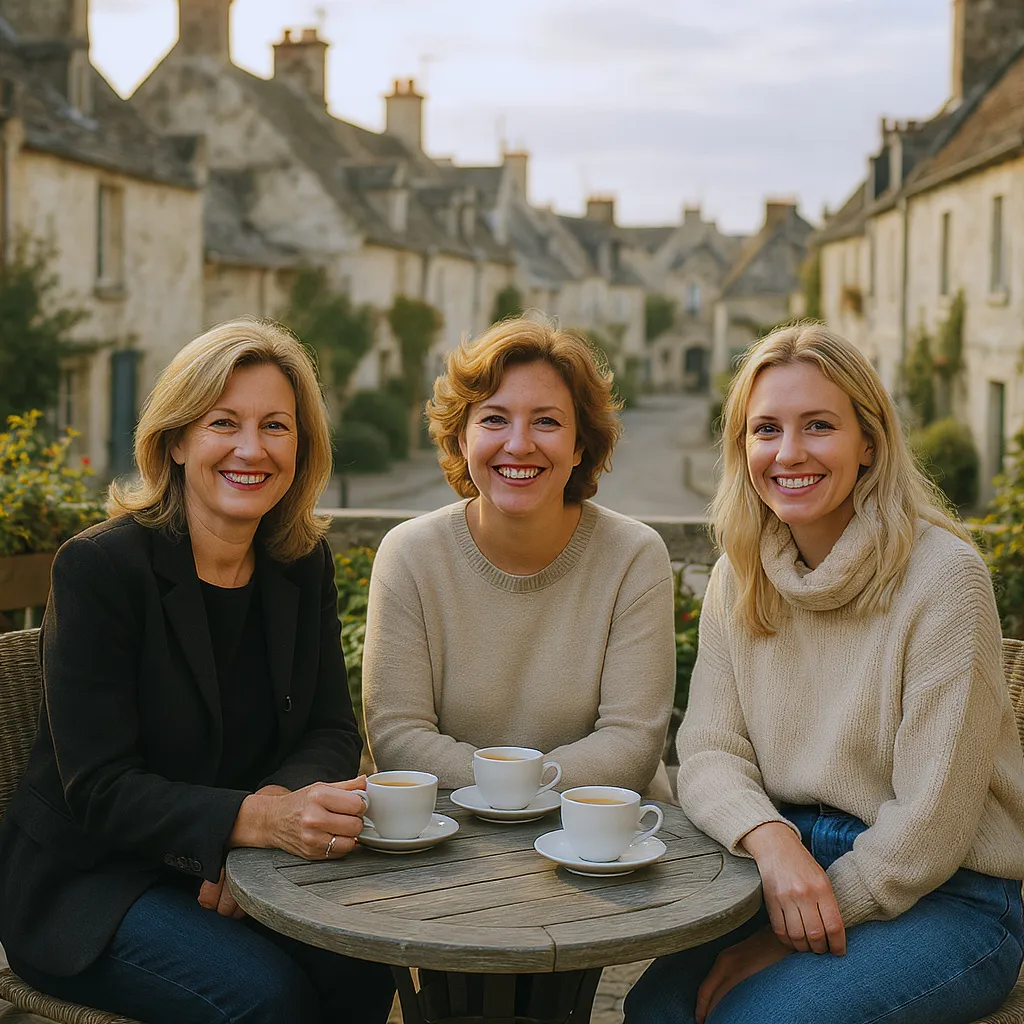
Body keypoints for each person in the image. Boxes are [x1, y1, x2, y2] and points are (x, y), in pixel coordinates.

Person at [624, 324, 1024, 1024]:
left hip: (949, 896)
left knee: (757, 1019)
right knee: (658, 1008)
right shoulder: (738, 576)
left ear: (869, 441)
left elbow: (932, 824)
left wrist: (790, 936)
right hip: (782, 864)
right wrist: (770, 839)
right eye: (766, 429)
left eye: (818, 426)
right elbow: (710, 754)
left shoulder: (944, 580)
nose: (789, 453)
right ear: (742, 447)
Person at [0, 318, 395, 1024]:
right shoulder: (99, 568)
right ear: (176, 440)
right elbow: (99, 787)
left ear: (300, 446)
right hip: (95, 884)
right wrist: (252, 825)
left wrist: (257, 834)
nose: (252, 448)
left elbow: (331, 727)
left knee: (364, 963)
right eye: (224, 422)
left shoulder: (301, 564)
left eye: (275, 424)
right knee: (266, 998)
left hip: (243, 865)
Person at [362, 316, 676, 800]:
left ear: (579, 446)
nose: (518, 443)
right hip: (453, 843)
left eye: (547, 421)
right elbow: (398, 739)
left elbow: (631, 747)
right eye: (494, 418)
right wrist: (523, 789)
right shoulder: (409, 556)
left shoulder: (634, 558)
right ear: (462, 438)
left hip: (609, 845)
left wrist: (505, 788)